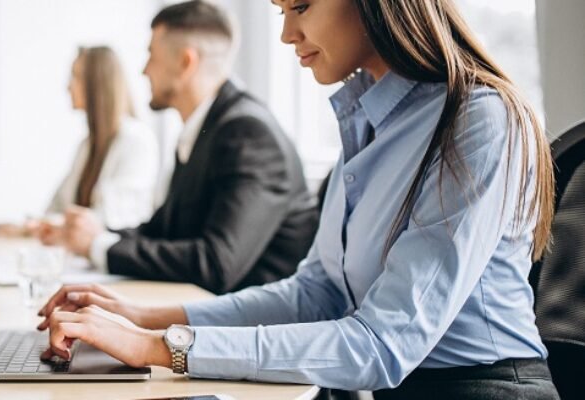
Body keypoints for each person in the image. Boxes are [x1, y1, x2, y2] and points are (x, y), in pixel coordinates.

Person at [36, 0, 560, 398]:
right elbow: (315, 294)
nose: (287, 33)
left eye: (302, 6)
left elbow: (382, 343)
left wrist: (157, 347)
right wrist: (143, 316)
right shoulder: (368, 119)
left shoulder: (478, 119)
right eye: (281, 10)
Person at [38, 1, 317, 294]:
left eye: (151, 55)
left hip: (256, 317)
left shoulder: (249, 135)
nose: (144, 70)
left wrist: (98, 245)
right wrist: (93, 234)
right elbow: (161, 231)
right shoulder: (205, 129)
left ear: (186, 63)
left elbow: (216, 264)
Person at [43, 46, 158, 230]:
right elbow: (57, 206)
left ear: (97, 84)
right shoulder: (87, 145)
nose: (68, 86)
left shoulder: (136, 140)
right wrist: (30, 226)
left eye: (76, 76)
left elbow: (113, 217)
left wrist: (52, 225)